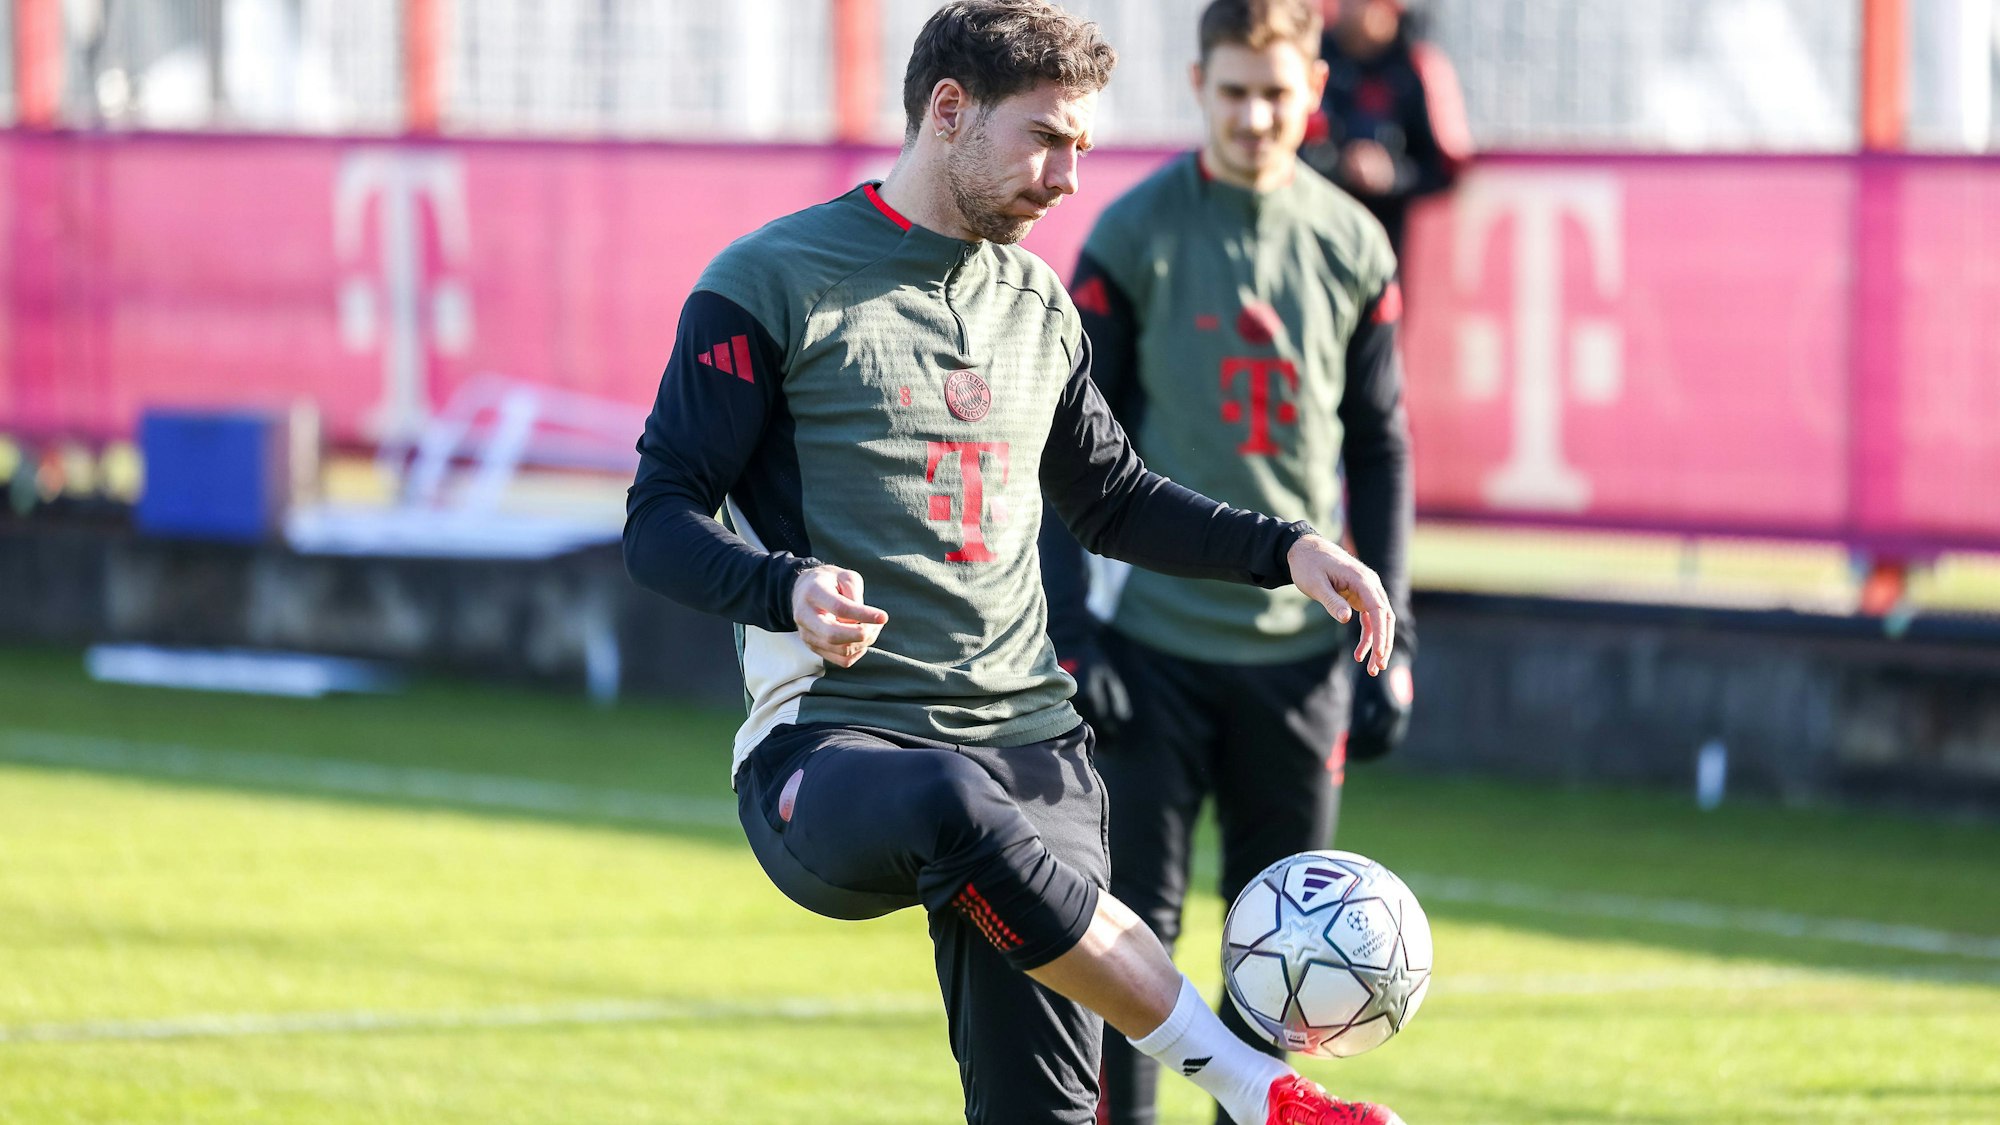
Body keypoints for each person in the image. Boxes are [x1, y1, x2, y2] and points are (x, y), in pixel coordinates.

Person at [623, 4, 1404, 1123]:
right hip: (835, 748)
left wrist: (1285, 549)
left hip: (1034, 755)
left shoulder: (1037, 300)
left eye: (1083, 147)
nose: (1068, 177)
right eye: (1046, 138)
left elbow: (1113, 500)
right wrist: (779, 586)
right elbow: (656, 519)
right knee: (947, 794)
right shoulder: (768, 279)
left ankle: (1244, 1086)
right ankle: (1249, 1084)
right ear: (949, 111)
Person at [1036, 2, 1417, 1122]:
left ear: (1311, 96)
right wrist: (1074, 627)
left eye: (1276, 94)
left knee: (1284, 963)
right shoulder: (1133, 233)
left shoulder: (1354, 242)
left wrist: (1392, 639)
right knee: (1128, 947)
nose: (1254, 115)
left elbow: (1380, 443)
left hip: (1299, 663)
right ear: (1199, 84)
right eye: (1233, 91)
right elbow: (1070, 451)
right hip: (1149, 647)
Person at [1305, 0, 1471, 256]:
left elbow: (1444, 166)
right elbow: (1287, 150)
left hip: (1387, 243)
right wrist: (1341, 166)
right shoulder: (1312, 56)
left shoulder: (1421, 68)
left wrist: (1391, 175)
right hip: (1314, 235)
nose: (1346, 8)